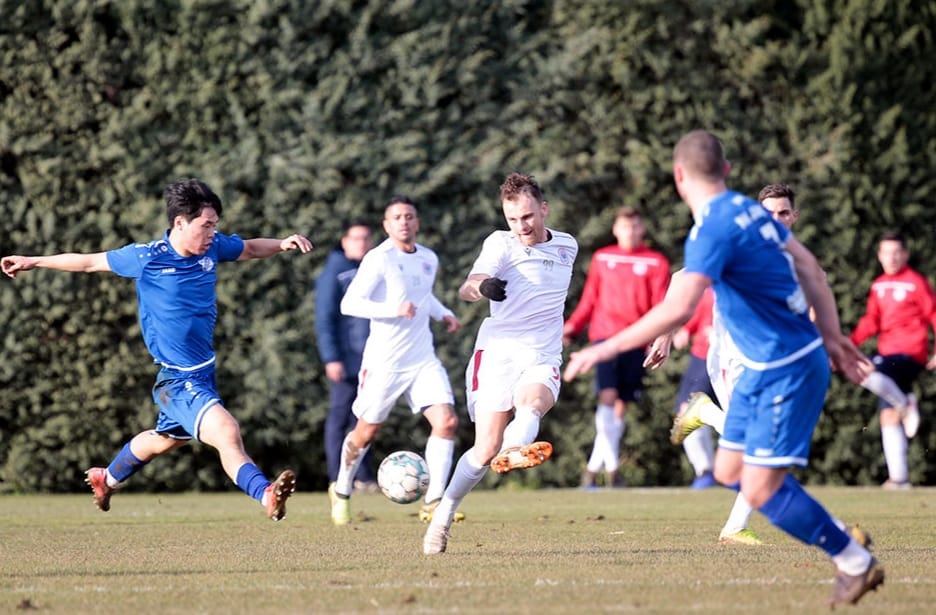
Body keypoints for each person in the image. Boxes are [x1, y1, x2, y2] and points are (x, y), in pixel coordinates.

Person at [564, 131, 884, 607]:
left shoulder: (709, 227)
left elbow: (679, 308)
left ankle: (854, 560)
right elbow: (812, 269)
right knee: (729, 467)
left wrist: (603, 348)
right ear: (728, 171)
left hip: (786, 367)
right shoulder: (749, 211)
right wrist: (834, 335)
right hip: (763, 366)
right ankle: (840, 536)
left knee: (758, 488)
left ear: (678, 178)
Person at [1, 178, 312, 521]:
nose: (212, 233)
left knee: (164, 439)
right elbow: (89, 262)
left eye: (215, 226)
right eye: (206, 225)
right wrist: (33, 260)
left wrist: (282, 244)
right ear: (180, 222)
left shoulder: (212, 249)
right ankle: (265, 493)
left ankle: (108, 478)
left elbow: (250, 248)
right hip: (178, 379)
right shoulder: (146, 257)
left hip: (201, 372)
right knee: (226, 432)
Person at [423, 172, 578, 555]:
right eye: (513, 219)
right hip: (497, 353)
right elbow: (468, 284)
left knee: (533, 403)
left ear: (543, 209)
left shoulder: (567, 246)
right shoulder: (501, 244)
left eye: (527, 216)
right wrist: (483, 288)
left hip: (541, 354)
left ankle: (515, 448)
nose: (521, 226)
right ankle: (443, 517)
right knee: (484, 449)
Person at [329, 195, 462, 526]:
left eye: (409, 216)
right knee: (365, 432)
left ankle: (433, 504)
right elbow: (351, 304)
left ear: (417, 222)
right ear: (386, 225)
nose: (404, 221)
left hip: (422, 359)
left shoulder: (428, 258)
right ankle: (342, 489)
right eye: (396, 217)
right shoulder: (379, 258)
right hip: (384, 363)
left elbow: (422, 295)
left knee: (446, 422)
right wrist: (394, 309)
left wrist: (443, 313)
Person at [563, 207, 670, 488]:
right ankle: (612, 470)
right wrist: (572, 327)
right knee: (607, 398)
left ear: (642, 229)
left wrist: (659, 336)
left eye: (635, 227)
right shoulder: (603, 257)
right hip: (604, 339)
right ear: (615, 229)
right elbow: (589, 299)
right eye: (625, 227)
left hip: (636, 339)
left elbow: (662, 305)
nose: (630, 232)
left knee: (621, 406)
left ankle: (592, 470)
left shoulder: (656, 262)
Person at [850, 230, 936, 489]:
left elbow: (933, 313)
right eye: (886, 252)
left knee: (863, 370)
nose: (892, 258)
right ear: (879, 255)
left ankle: (905, 404)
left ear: (905, 254)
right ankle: (899, 479)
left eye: (897, 252)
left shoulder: (916, 282)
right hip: (887, 354)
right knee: (888, 416)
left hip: (911, 352)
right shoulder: (878, 285)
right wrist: (848, 344)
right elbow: (871, 321)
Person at [314, 220, 378, 493]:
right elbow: (324, 317)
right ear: (344, 241)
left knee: (364, 419)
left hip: (370, 359)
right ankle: (336, 478)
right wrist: (331, 357)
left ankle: (362, 477)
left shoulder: (372, 268)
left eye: (365, 238)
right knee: (340, 419)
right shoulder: (334, 271)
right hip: (345, 359)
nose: (361, 243)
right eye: (355, 238)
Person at [670, 287, 717, 490]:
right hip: (700, 357)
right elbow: (697, 314)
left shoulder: (744, 285)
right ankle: (706, 470)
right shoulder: (709, 288)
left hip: (724, 358)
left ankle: (708, 470)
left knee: (690, 412)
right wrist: (685, 330)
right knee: (687, 412)